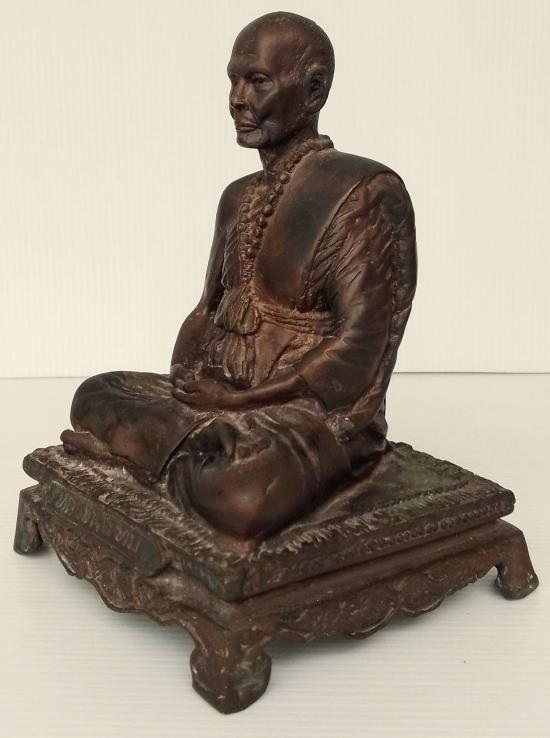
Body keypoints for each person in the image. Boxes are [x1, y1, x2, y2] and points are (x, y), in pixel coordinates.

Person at [62, 11, 417, 540]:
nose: (237, 99)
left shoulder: (359, 190)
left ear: (314, 89)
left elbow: (361, 344)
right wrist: (184, 383)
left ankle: (146, 457)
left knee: (239, 493)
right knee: (95, 393)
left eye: (257, 81)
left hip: (308, 416)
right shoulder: (238, 196)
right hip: (219, 398)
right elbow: (207, 310)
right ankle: (179, 451)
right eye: (232, 81)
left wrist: (240, 404)